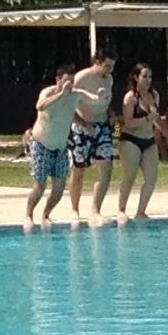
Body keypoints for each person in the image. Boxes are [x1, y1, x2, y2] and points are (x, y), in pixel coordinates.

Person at [26, 66, 110, 230]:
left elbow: (91, 99)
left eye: (72, 81)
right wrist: (60, 94)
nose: (70, 85)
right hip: (41, 144)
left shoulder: (75, 95)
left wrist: (100, 97)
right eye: (66, 81)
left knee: (59, 187)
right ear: (58, 80)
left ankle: (46, 214)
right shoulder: (48, 93)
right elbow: (40, 106)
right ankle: (29, 214)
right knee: (40, 186)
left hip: (60, 147)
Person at [63, 57, 120, 222]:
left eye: (112, 67)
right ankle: (75, 209)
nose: (110, 70)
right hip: (81, 127)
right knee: (78, 170)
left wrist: (112, 115)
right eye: (107, 66)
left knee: (106, 167)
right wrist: (82, 123)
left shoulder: (109, 79)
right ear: (97, 63)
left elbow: (106, 102)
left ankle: (96, 210)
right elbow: (68, 103)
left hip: (101, 127)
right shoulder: (81, 77)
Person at [114, 65, 164, 221]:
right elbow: (127, 122)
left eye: (150, 77)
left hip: (149, 140)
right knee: (130, 175)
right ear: (136, 77)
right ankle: (121, 209)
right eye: (144, 76)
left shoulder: (154, 95)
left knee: (151, 177)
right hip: (130, 139)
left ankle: (141, 211)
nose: (148, 80)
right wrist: (146, 119)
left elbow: (155, 118)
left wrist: (162, 130)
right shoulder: (130, 97)